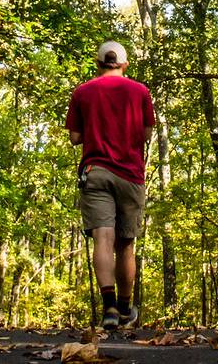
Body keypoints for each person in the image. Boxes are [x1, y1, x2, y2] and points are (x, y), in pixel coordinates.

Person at [65, 40, 156, 330]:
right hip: (130, 175)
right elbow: (146, 134)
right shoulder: (140, 91)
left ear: (98, 63)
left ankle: (109, 310)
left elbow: (75, 138)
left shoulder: (82, 92)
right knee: (126, 245)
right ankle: (128, 308)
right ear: (124, 65)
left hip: (96, 171)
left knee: (102, 239)